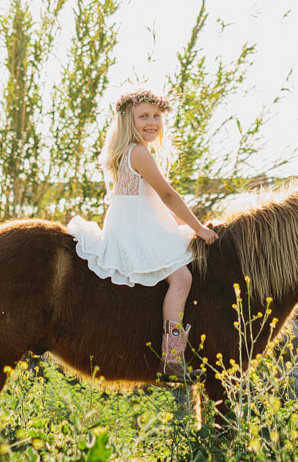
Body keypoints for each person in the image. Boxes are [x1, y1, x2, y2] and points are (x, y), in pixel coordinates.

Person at [66, 87, 219, 379]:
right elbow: (167, 195)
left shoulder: (130, 152)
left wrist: (187, 227)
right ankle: (172, 358)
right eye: (143, 116)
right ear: (128, 121)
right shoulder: (138, 153)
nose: (151, 122)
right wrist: (198, 228)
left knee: (183, 255)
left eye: (156, 116)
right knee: (182, 278)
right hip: (137, 230)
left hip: (138, 222)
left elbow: (160, 201)